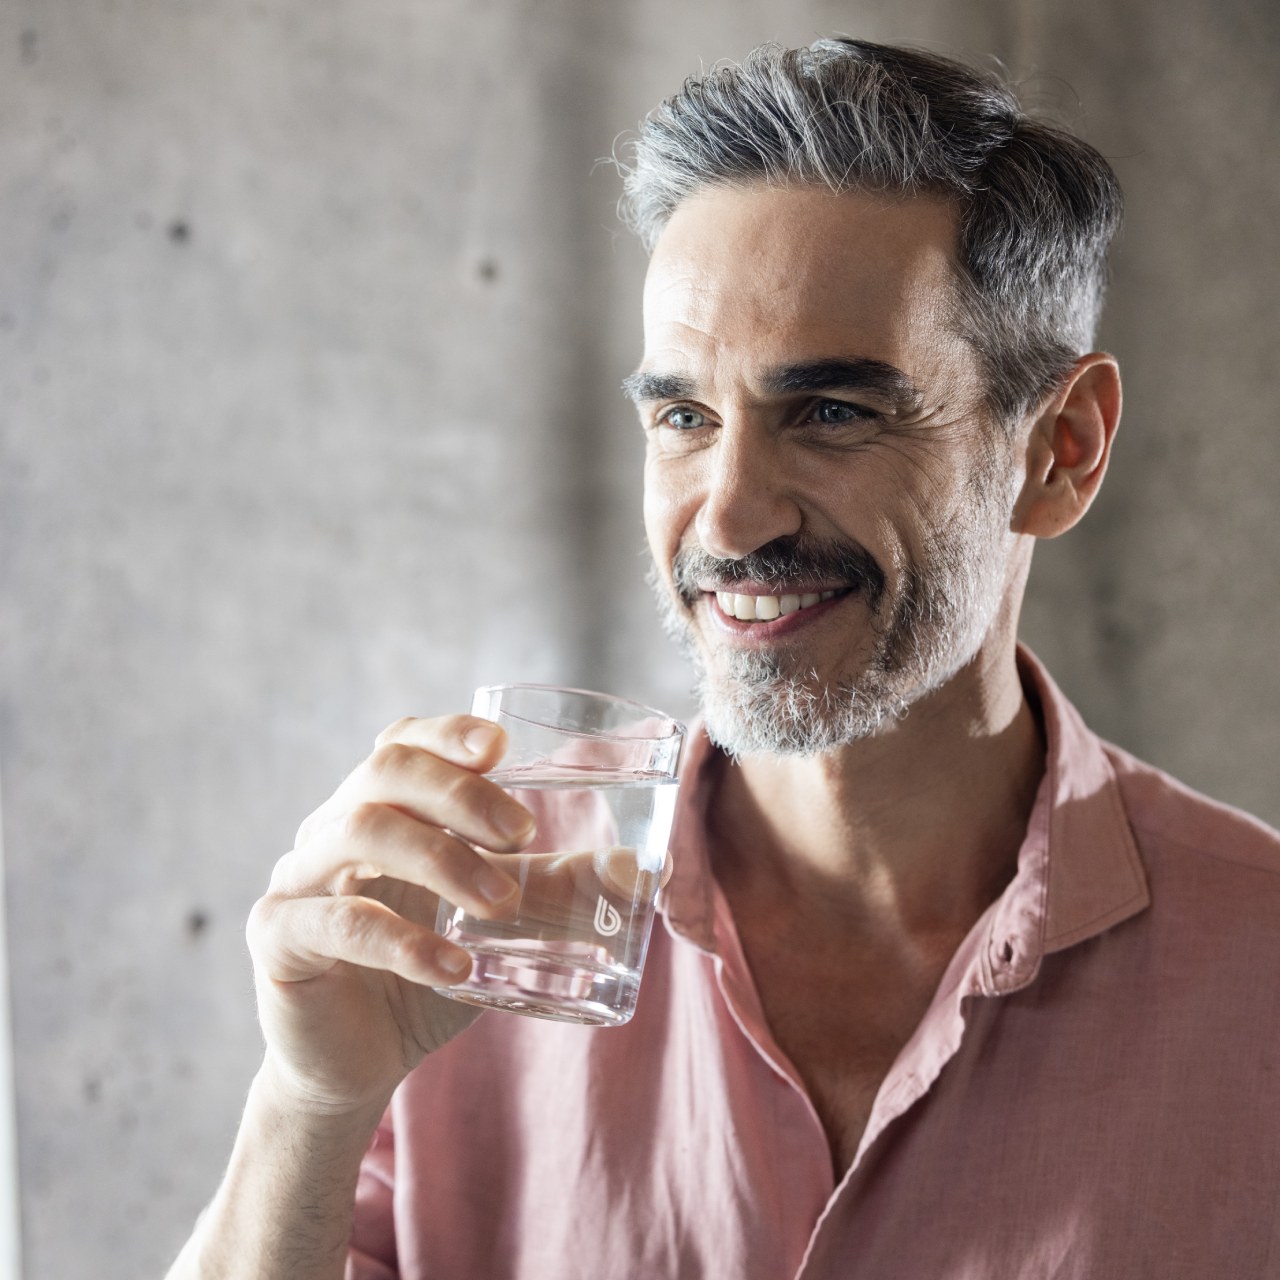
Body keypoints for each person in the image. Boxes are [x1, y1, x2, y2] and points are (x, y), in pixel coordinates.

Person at [168, 38, 1280, 1280]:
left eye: (833, 412)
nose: (730, 516)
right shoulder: (471, 921)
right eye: (684, 417)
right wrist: (310, 1101)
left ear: (1059, 448)